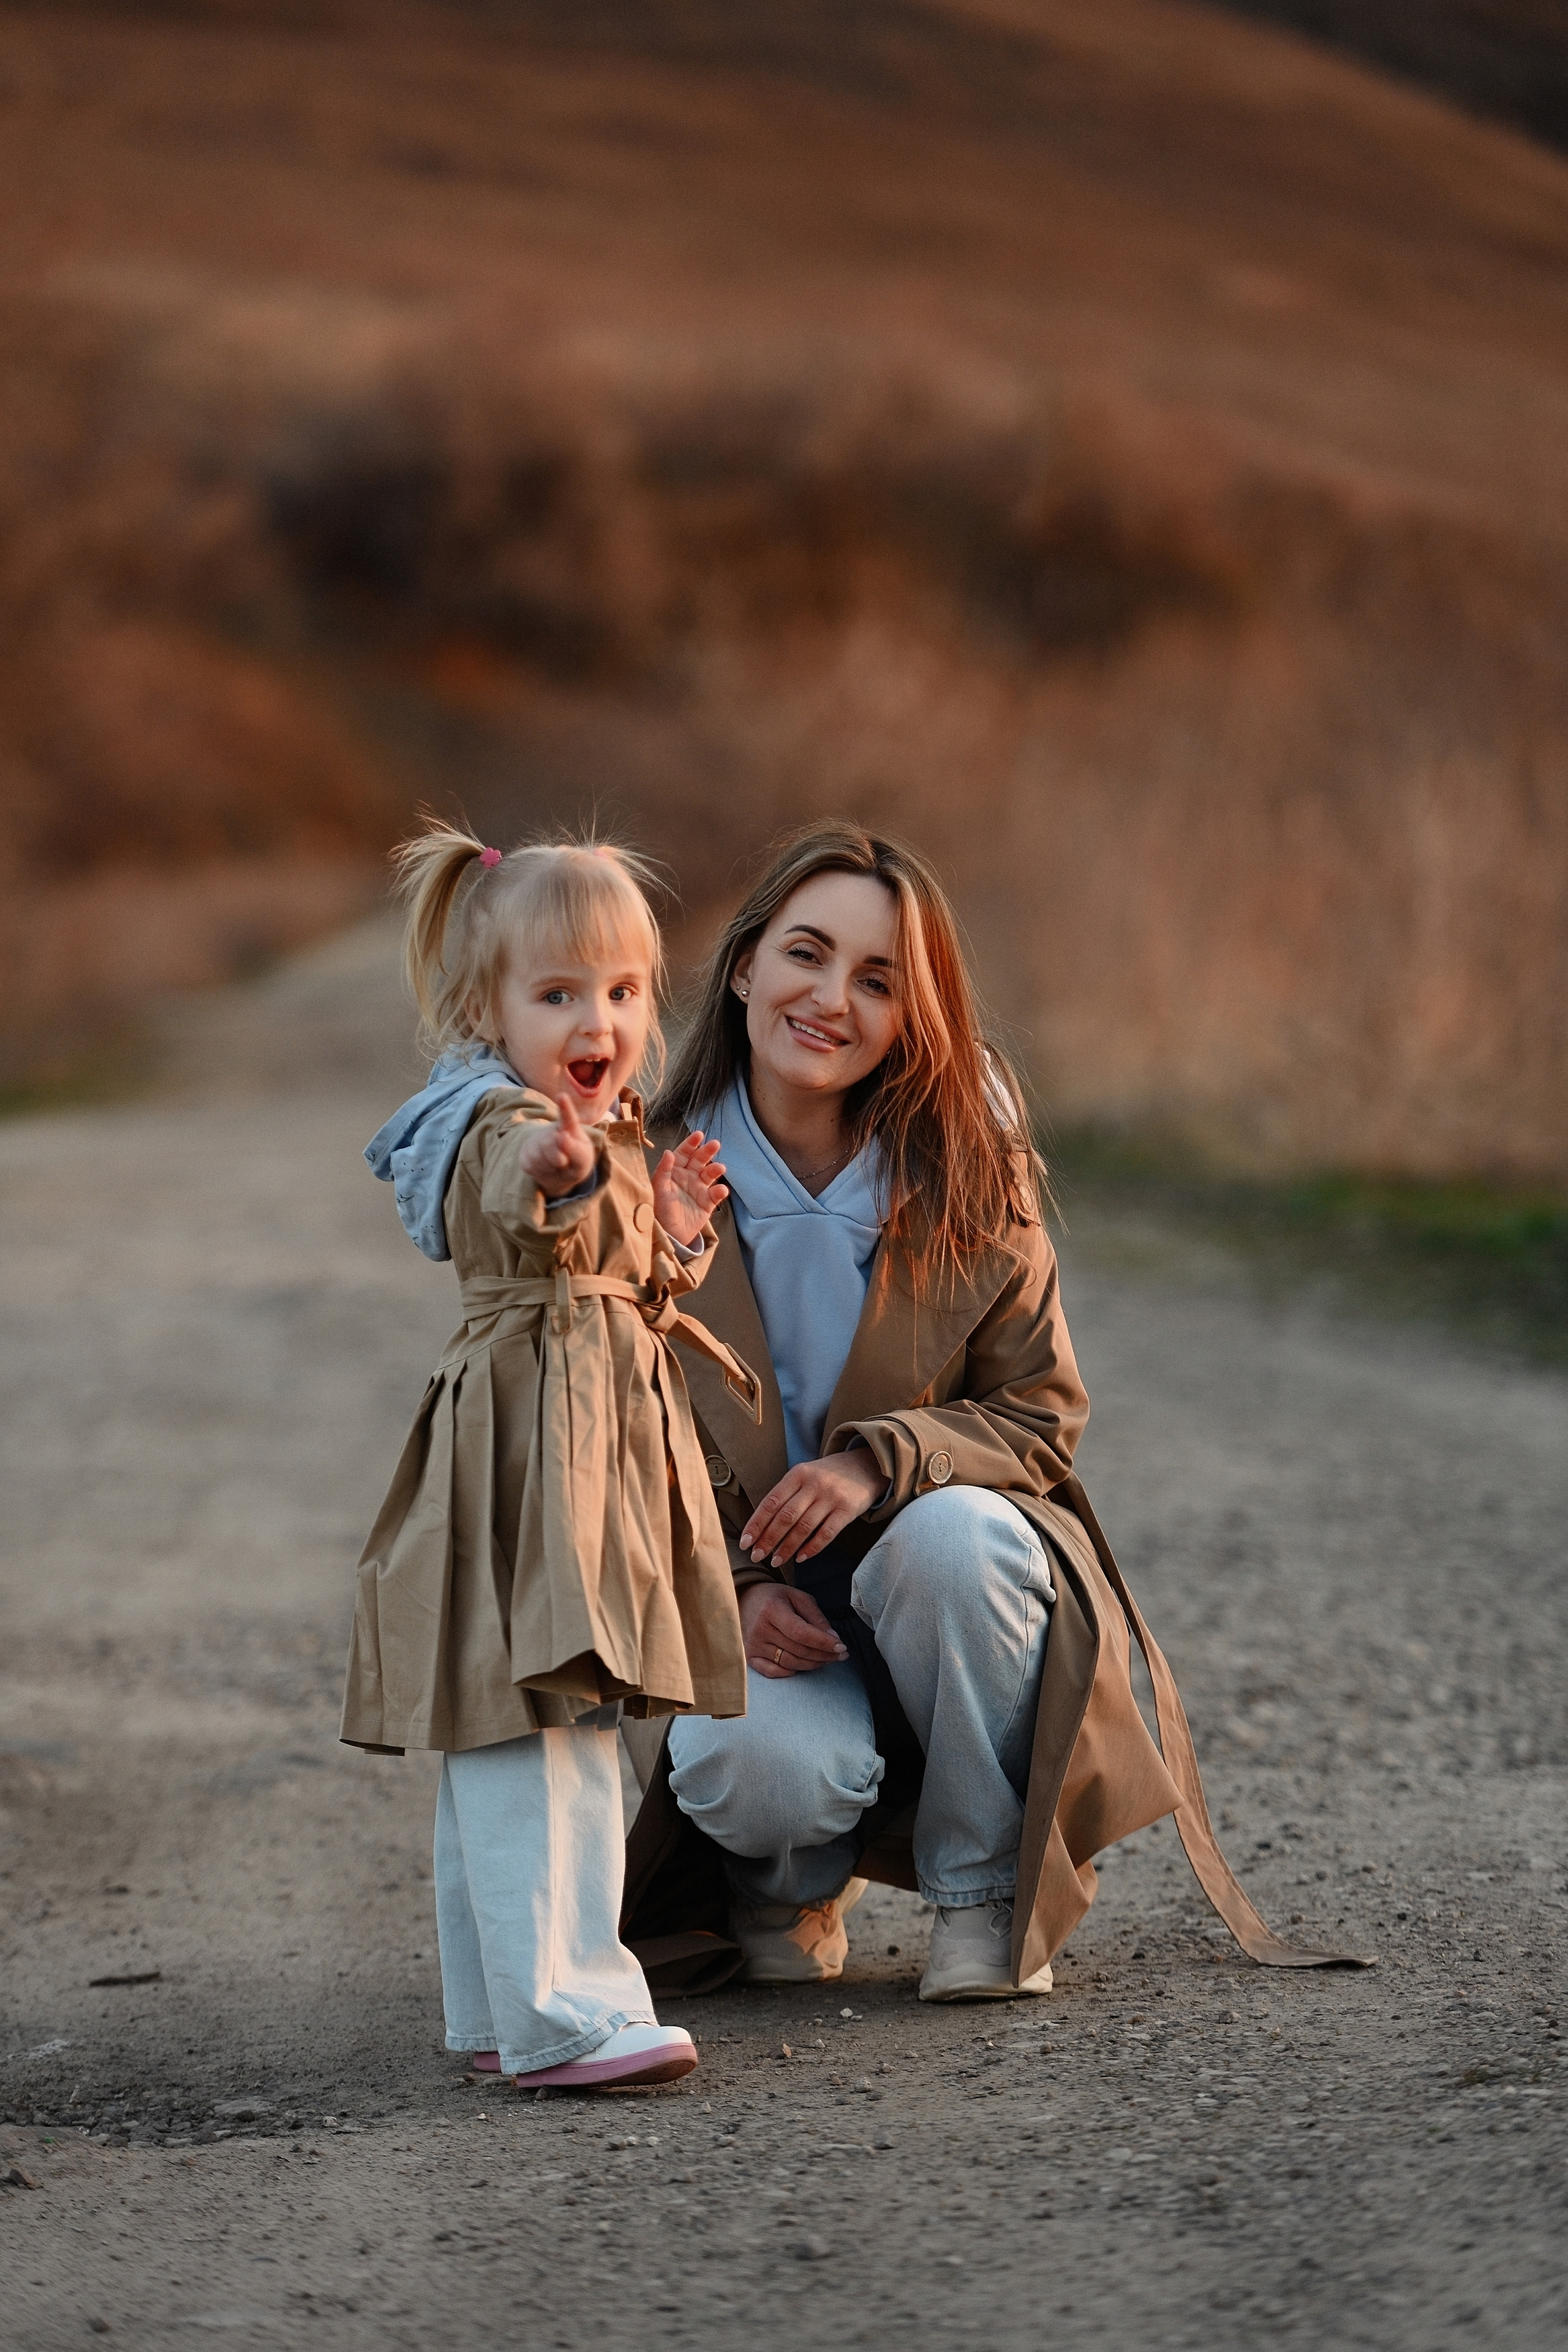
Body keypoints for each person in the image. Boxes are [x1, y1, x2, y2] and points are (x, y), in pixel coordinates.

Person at [621, 820, 1359, 2000]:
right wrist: (737, 1586)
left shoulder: (969, 1170)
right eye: (806, 954)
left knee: (952, 1542)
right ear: (746, 964)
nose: (831, 999)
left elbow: (1040, 1411)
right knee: (758, 1770)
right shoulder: (644, 1179)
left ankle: (980, 1889)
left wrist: (879, 1462)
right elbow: (611, 1440)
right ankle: (792, 1886)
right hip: (754, 1604)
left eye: (879, 980)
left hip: (944, 1589)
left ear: (916, 1017)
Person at [339, 819, 759, 2089]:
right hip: (536, 1453)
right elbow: (506, 1202)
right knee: (551, 1719)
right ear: (488, 1008)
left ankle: (491, 2007)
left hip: (569, 1449)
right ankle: (565, 2011)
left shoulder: (599, 1123)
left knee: (510, 1715)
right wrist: (557, 1173)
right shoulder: (495, 1120)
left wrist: (670, 1225)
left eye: (624, 991)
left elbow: (616, 1275)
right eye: (559, 992)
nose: (602, 1020)